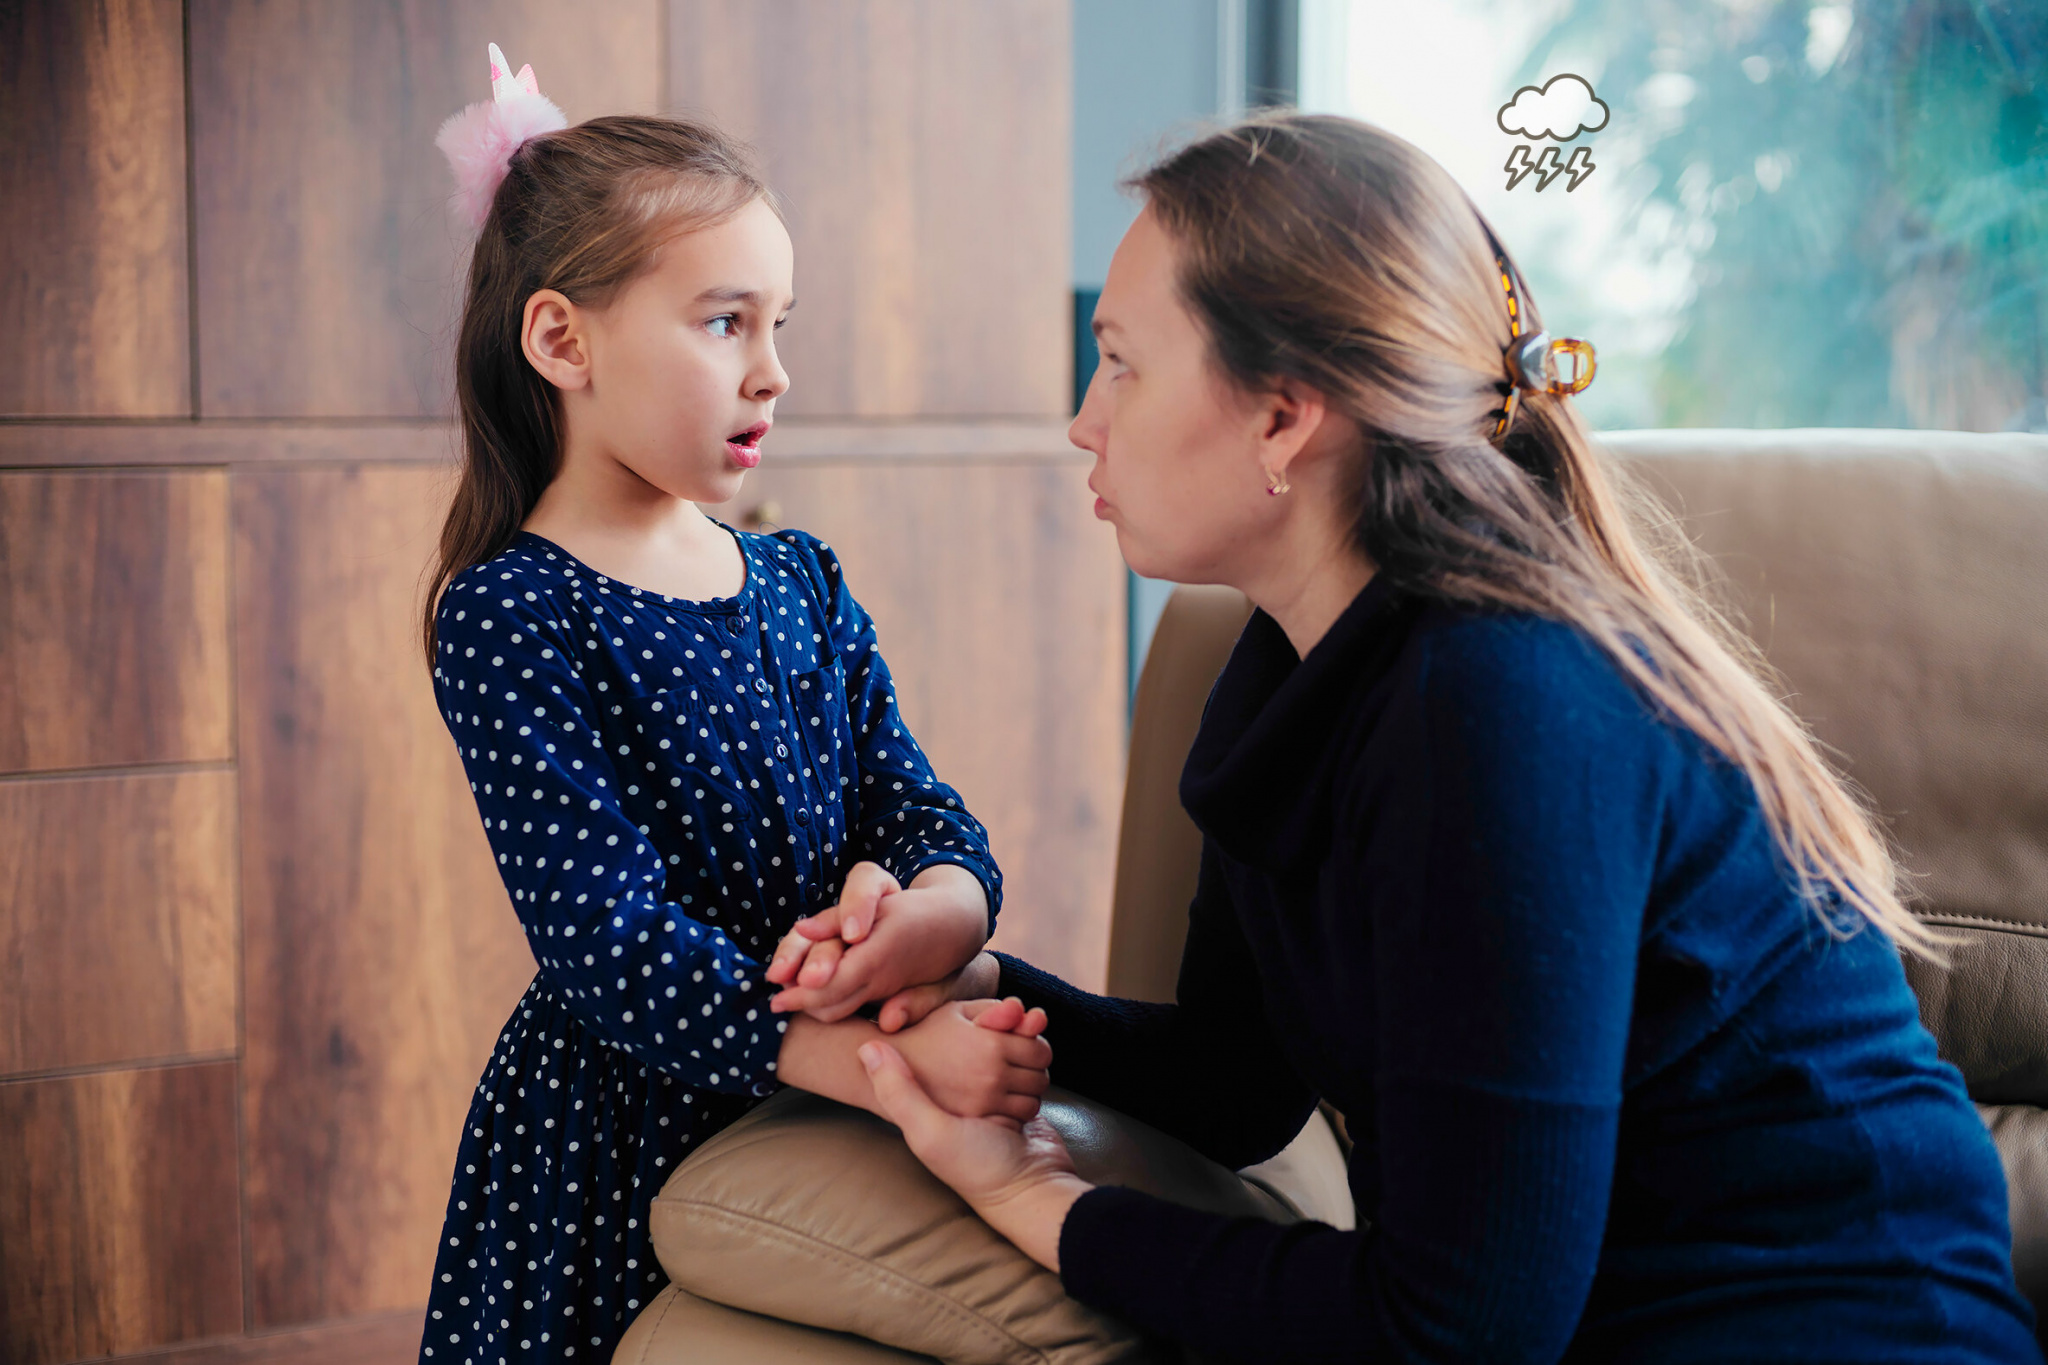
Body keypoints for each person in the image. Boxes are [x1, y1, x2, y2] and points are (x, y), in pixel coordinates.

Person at [856, 113, 2043, 1363]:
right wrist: (967, 983)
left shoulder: (1502, 707)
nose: (1082, 421)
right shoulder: (1285, 669)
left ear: (1282, 417)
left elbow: (1456, 1334)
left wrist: (1037, 1202)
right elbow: (1233, 1081)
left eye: (1119, 364)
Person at [416, 51, 1051, 1363]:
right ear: (562, 340)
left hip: (831, 1093)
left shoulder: (797, 578)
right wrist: (884, 1066)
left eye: (781, 325)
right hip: (622, 1138)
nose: (772, 373)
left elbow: (919, 809)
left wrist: (929, 915)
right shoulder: (513, 611)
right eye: (724, 323)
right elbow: (607, 943)